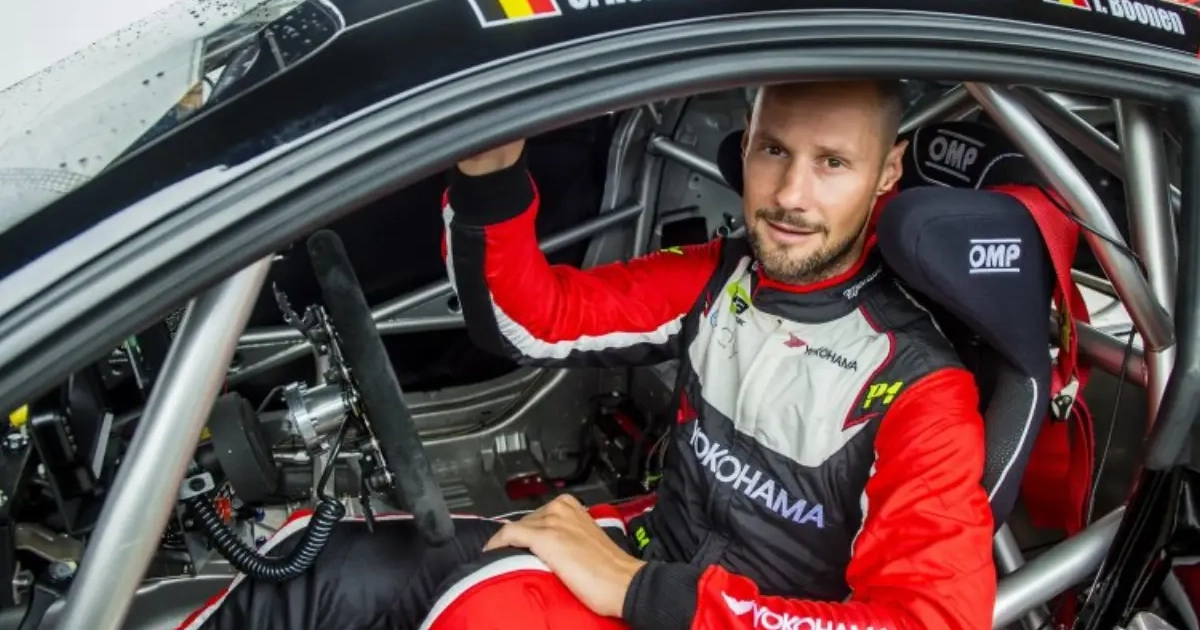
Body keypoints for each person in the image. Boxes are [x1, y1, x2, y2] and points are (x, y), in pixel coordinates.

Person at [181, 80, 995, 630]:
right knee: (314, 566)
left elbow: (928, 623)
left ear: (887, 172)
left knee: (479, 612)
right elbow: (530, 319)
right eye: (773, 150)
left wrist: (646, 594)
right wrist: (491, 173)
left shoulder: (918, 385)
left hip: (707, 608)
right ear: (745, 145)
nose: (789, 195)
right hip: (645, 551)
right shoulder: (720, 277)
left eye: (832, 163)